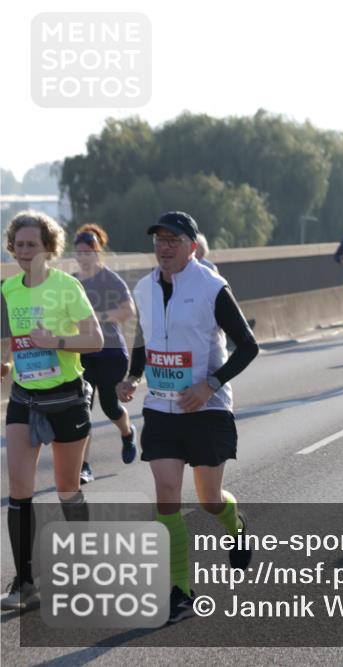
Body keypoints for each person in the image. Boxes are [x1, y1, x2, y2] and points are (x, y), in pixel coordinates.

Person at [117, 211, 259, 624]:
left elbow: (248, 346)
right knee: (166, 497)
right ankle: (180, 589)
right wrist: (133, 377)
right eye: (159, 239)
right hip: (161, 409)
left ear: (192, 247)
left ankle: (236, 526)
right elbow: (145, 339)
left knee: (210, 501)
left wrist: (209, 385)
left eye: (173, 240)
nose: (163, 247)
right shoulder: (143, 288)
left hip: (206, 409)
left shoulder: (212, 287)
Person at [2, 211, 104, 610]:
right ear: (12, 248)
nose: (26, 252)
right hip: (24, 398)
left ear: (49, 249)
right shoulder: (10, 289)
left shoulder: (67, 287)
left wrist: (57, 341)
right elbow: (19, 338)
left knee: (66, 489)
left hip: (65, 398)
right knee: (19, 491)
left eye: (33, 245)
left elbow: (95, 339)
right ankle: (24, 583)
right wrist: (9, 363)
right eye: (19, 245)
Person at [72, 224, 138, 484]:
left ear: (98, 253)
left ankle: (127, 432)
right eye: (79, 252)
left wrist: (100, 317)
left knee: (110, 406)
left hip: (111, 352)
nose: (83, 257)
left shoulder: (110, 279)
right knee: (83, 409)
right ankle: (84, 466)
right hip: (84, 352)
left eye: (88, 252)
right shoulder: (73, 282)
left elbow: (129, 310)